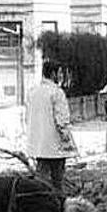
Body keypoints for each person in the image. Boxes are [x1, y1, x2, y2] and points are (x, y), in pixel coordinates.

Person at [26, 61, 78, 193]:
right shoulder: (57, 92)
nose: (61, 76)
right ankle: (58, 206)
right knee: (57, 181)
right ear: (53, 73)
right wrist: (68, 142)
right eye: (60, 73)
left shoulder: (33, 92)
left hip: (38, 145)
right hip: (55, 146)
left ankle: (38, 203)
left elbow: (28, 117)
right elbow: (61, 121)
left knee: (40, 179)